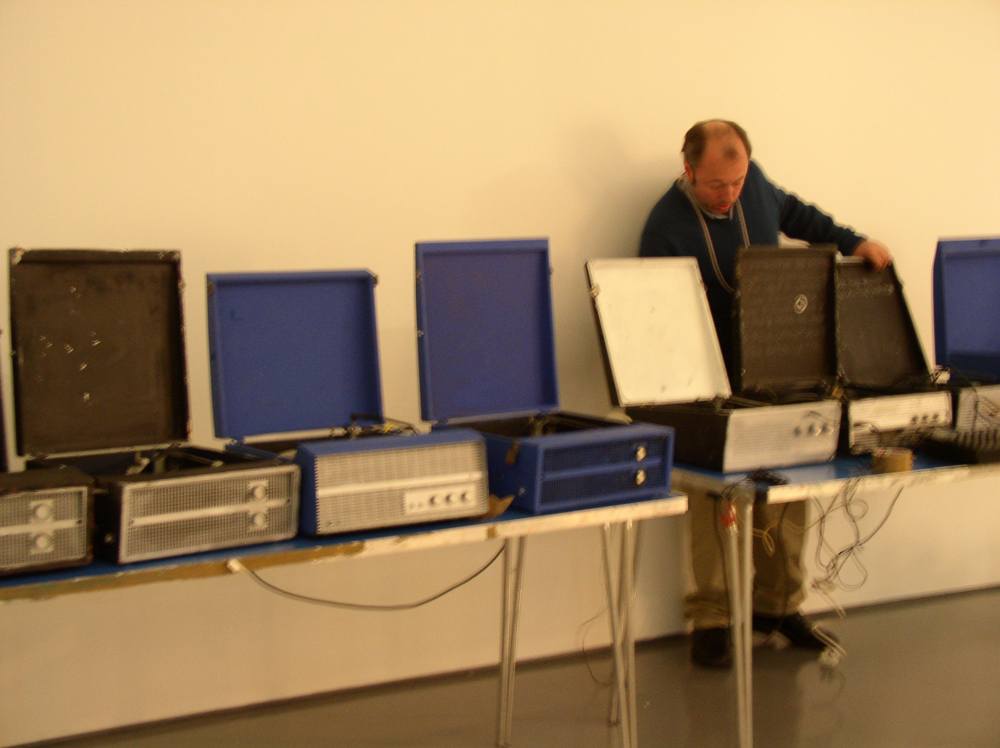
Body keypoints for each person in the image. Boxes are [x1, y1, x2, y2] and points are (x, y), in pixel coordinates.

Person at [639, 119, 892, 668]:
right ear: (689, 171)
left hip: (776, 362)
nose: (729, 195)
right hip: (706, 381)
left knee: (790, 482)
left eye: (736, 181)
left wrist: (855, 242)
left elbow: (799, 215)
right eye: (716, 186)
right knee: (713, 497)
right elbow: (657, 320)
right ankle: (710, 617)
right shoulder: (664, 227)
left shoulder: (756, 185)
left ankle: (778, 605)